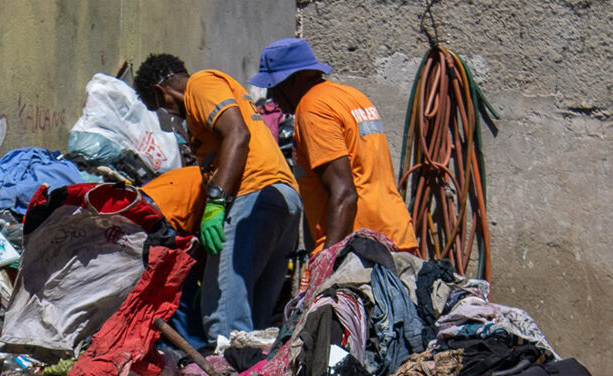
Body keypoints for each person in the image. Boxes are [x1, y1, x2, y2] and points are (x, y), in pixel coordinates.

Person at [134, 54, 302, 343]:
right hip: (281, 199)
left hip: (254, 195)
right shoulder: (202, 118)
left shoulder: (200, 85)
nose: (167, 118)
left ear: (162, 92)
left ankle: (228, 370)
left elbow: (238, 134)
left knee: (225, 320)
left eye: (157, 108)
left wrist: (216, 202)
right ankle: (254, 369)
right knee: (255, 326)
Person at [249, 38, 419, 254]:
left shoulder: (313, 108)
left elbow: (345, 193)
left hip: (360, 248)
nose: (271, 97)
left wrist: (328, 260)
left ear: (295, 79)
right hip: (393, 233)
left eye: (273, 86)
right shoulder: (350, 96)